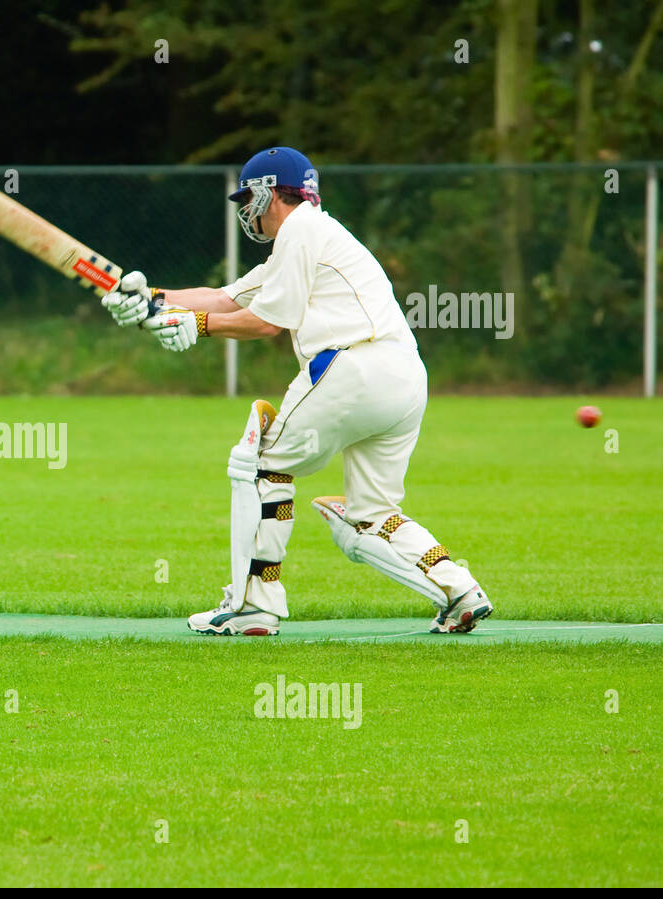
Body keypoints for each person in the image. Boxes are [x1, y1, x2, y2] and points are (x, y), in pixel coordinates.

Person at [102, 146, 492, 636]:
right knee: (371, 514)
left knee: (262, 465)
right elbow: (225, 297)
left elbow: (266, 323)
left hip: (351, 369)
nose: (247, 210)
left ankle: (253, 605)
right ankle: (458, 590)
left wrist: (197, 326)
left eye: (249, 197)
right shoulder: (312, 236)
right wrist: (151, 298)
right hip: (405, 381)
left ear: (268, 192)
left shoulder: (300, 231)